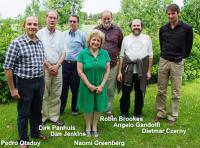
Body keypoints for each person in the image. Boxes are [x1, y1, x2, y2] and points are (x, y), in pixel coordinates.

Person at [3, 16, 48, 148]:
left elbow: (41, 64)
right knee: (24, 113)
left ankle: (35, 133)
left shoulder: (39, 42)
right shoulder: (16, 43)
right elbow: (8, 67)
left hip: (39, 81)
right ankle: (23, 140)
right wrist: (12, 89)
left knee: (37, 111)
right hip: (24, 83)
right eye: (29, 24)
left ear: (38, 27)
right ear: (24, 25)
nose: (32, 26)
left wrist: (43, 82)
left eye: (35, 24)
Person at [155, 4, 193, 126]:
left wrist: (181, 57)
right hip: (164, 60)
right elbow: (162, 44)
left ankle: (173, 115)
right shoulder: (163, 29)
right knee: (161, 89)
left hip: (177, 62)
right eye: (169, 14)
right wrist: (165, 54)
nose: (171, 16)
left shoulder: (187, 28)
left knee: (176, 91)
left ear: (178, 13)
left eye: (173, 13)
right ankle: (160, 113)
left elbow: (189, 46)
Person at [77, 30, 110, 137]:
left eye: (98, 41)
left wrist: (102, 85)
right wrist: (89, 85)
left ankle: (94, 126)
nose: (96, 42)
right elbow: (80, 71)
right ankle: (87, 126)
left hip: (100, 85)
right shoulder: (82, 53)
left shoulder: (105, 53)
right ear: (89, 40)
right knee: (88, 106)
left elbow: (107, 71)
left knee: (98, 105)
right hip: (86, 85)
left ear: (101, 43)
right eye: (94, 39)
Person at [117, 19, 153, 118]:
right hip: (128, 69)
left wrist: (149, 71)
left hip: (142, 70)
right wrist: (119, 72)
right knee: (126, 92)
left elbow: (150, 56)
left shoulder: (147, 38)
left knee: (139, 92)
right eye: (134, 25)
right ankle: (124, 112)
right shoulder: (126, 39)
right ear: (131, 27)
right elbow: (121, 56)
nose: (136, 27)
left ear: (141, 26)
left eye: (138, 25)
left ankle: (138, 113)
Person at [37, 10, 65, 126]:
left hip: (58, 68)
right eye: (50, 17)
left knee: (56, 94)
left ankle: (54, 117)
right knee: (44, 94)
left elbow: (64, 52)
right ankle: (42, 118)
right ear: (46, 18)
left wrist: (57, 66)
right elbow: (37, 52)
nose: (52, 20)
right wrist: (49, 66)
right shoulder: (39, 34)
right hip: (44, 68)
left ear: (57, 20)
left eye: (55, 18)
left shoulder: (61, 34)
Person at [95, 10, 123, 116]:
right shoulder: (96, 30)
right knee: (98, 86)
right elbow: (90, 44)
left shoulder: (117, 30)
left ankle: (108, 109)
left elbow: (121, 45)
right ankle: (97, 107)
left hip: (112, 64)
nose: (106, 20)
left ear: (111, 18)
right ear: (101, 18)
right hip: (98, 65)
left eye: (108, 18)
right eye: (104, 18)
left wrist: (116, 53)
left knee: (110, 88)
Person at [60, 15, 87, 115]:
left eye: (74, 21)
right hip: (65, 64)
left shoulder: (83, 35)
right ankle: (61, 109)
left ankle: (74, 109)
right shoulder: (63, 35)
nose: (72, 23)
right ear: (68, 22)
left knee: (75, 88)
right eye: (70, 21)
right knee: (63, 88)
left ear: (78, 23)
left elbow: (85, 50)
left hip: (77, 65)